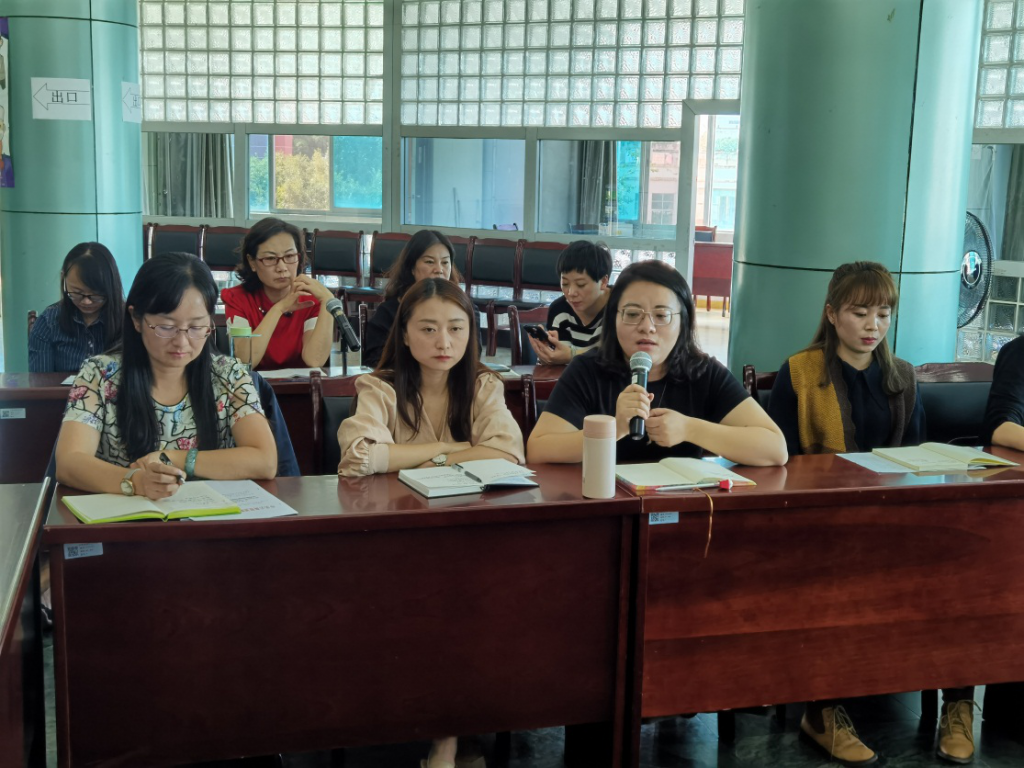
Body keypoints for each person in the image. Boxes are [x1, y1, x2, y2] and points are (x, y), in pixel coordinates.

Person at [766, 262, 975, 766]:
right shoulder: (800, 372)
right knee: (830, 575)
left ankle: (960, 702)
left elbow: (920, 457)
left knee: (965, 571)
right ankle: (821, 713)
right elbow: (778, 463)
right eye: (860, 313)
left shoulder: (901, 375)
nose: (872, 325)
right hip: (822, 524)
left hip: (895, 521)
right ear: (831, 313)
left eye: (883, 314)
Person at [339, 277, 523, 768]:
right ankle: (442, 732)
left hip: (469, 535)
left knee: (478, 600)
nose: (444, 341)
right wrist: (450, 448)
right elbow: (359, 458)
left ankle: (449, 734)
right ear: (404, 333)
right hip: (395, 538)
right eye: (428, 328)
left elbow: (508, 452)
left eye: (456, 328)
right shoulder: (379, 387)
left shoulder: (483, 385)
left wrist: (415, 458)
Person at [56, 253, 277, 499]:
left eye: (196, 327)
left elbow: (264, 460)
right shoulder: (99, 374)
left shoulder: (230, 375)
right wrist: (136, 481)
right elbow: (69, 462)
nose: (182, 342)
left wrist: (176, 458)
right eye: (166, 327)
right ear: (136, 319)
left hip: (208, 517)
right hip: (127, 516)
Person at [527, 260, 786, 466]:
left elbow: (775, 449)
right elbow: (538, 450)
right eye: (632, 314)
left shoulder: (703, 372)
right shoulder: (587, 370)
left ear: (683, 322)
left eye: (662, 315)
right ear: (613, 319)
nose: (647, 327)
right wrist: (614, 428)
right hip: (604, 504)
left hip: (681, 507)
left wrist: (690, 428)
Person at [221, 217, 336, 371]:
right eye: (270, 258)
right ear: (252, 262)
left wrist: (328, 300)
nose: (282, 267)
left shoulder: (311, 299)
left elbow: (314, 360)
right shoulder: (237, 299)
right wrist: (279, 309)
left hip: (301, 386)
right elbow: (245, 361)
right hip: (253, 386)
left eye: (289, 256)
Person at [362, 229, 474, 370]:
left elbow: (472, 357)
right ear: (412, 268)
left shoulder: (465, 309)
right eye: (429, 262)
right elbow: (375, 360)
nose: (439, 269)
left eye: (445, 262)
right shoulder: (390, 311)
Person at [29, 242, 125, 372]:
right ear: (63, 278)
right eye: (77, 292)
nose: (86, 302)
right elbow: (41, 381)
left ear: (111, 287)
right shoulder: (48, 323)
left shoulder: (129, 321)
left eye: (96, 294)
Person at [527, 240, 612, 365]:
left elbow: (615, 356)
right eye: (565, 283)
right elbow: (562, 365)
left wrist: (572, 355)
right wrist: (549, 355)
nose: (571, 292)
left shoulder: (620, 307)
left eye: (581, 284)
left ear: (604, 282)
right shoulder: (559, 310)